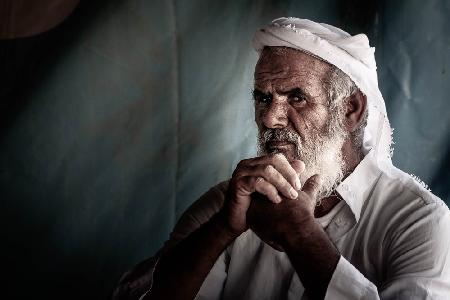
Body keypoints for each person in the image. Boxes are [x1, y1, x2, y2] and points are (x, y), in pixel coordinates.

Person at [111, 18, 450, 300]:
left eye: (297, 98)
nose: (271, 118)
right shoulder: (229, 204)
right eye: (263, 98)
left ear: (350, 109)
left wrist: (300, 234)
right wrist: (223, 229)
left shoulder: (419, 221)